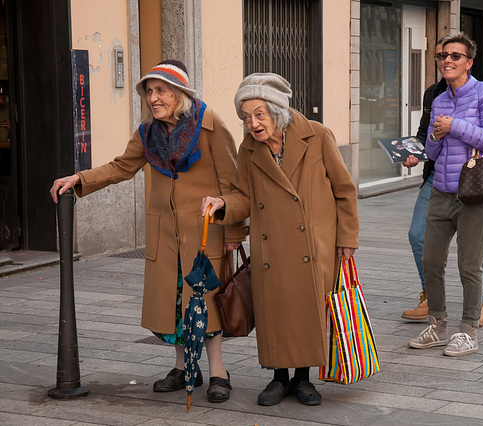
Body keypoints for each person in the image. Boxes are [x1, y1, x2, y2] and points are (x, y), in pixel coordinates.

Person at [50, 60, 248, 402]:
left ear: (180, 93)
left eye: (161, 90)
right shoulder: (147, 134)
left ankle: (218, 371)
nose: (153, 98)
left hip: (205, 232)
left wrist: (233, 231)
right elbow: (120, 167)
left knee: (205, 302)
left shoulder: (211, 127)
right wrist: (79, 179)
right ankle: (185, 368)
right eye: (149, 92)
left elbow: (235, 185)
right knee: (173, 303)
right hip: (165, 235)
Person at [200, 73, 359, 407]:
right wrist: (224, 203)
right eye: (246, 117)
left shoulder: (316, 135)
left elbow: (344, 190)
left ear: (277, 109)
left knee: (306, 308)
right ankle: (278, 378)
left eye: (259, 114)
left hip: (313, 246)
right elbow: (243, 194)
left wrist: (347, 237)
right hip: (270, 246)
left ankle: (303, 379)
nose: (253, 123)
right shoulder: (249, 149)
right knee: (275, 312)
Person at [407, 32, 483, 356]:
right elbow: (434, 150)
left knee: (469, 266)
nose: (446, 60)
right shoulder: (439, 100)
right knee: (431, 260)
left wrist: (454, 126)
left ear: (469, 62)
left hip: (474, 196)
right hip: (440, 191)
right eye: (442, 56)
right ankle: (437, 324)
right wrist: (436, 135)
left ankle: (468, 331)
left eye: (455, 56)